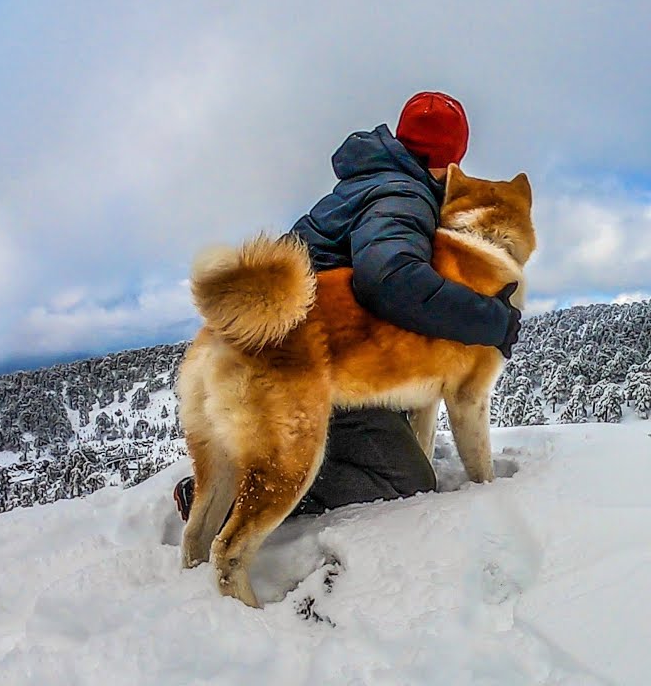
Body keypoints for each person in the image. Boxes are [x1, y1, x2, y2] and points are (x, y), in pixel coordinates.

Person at [174, 92, 521, 520]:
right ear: (449, 160)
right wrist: (491, 320)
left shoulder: (368, 182)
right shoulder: (402, 196)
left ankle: (244, 484)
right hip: (307, 364)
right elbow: (389, 278)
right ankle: (246, 498)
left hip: (268, 347)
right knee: (406, 483)